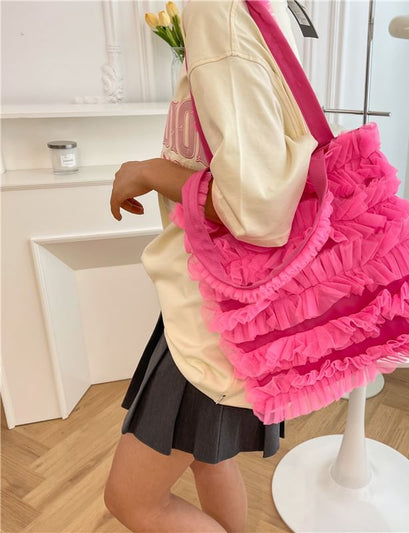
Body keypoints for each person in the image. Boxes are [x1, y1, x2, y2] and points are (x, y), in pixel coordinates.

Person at [104, 1, 317, 531]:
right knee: (209, 457)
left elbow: (256, 208)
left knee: (132, 500)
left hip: (213, 312)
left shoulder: (217, 10)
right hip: (213, 297)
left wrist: (148, 172)